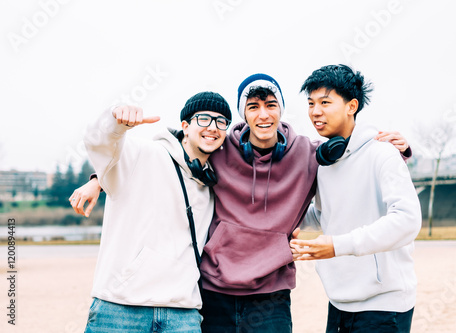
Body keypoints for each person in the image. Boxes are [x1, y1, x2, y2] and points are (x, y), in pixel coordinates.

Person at [72, 74, 410, 332]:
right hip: (213, 291)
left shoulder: (310, 155)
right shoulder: (219, 152)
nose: (263, 115)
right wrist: (98, 178)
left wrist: (400, 150)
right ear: (243, 115)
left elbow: (349, 161)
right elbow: (171, 154)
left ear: (280, 110)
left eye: (270, 105)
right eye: (253, 107)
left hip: (271, 295)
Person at [72, 91, 232, 333]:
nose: (213, 127)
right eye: (204, 119)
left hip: (183, 315)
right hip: (120, 309)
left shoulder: (213, 183)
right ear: (185, 126)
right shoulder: (143, 154)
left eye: (221, 122)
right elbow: (99, 144)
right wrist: (115, 121)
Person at [290, 64, 421, 333]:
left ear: (351, 106)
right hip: (339, 302)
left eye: (325, 102)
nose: (315, 111)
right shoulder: (325, 161)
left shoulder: (382, 153)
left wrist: (338, 246)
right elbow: (323, 215)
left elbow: (407, 220)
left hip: (384, 306)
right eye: (311, 103)